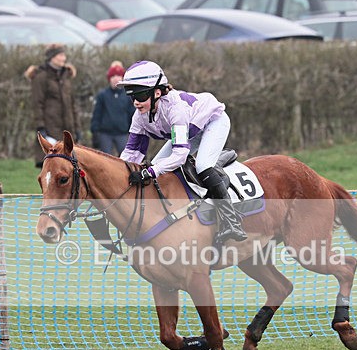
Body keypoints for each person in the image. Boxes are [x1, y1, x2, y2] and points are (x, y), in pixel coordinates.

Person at [117, 60, 246, 244]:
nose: (136, 102)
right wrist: (118, 174)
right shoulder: (139, 117)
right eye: (132, 97)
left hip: (213, 122)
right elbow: (132, 154)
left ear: (157, 92)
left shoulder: (175, 109)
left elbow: (180, 155)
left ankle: (232, 221)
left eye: (141, 95)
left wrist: (150, 171)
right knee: (157, 168)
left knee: (203, 166)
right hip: (189, 132)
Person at [26, 44, 80, 168]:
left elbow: (73, 104)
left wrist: (77, 128)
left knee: (70, 167)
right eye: (60, 55)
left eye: (64, 55)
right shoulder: (41, 77)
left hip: (68, 129)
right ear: (52, 57)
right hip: (50, 129)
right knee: (52, 167)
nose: (64, 58)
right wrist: (41, 128)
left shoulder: (66, 76)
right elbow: (37, 104)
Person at [90, 61, 136, 157]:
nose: (116, 79)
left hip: (122, 133)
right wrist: (95, 132)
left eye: (118, 76)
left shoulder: (128, 95)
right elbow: (97, 114)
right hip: (105, 134)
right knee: (106, 159)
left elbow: (132, 114)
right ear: (109, 79)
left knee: (125, 159)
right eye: (113, 76)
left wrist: (134, 133)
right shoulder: (102, 95)